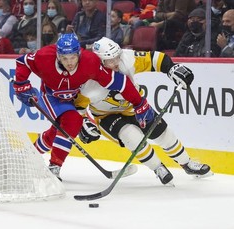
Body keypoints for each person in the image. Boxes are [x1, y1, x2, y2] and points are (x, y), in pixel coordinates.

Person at [13, 33, 152, 181]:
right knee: (72, 121)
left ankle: (28, 156)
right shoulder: (44, 56)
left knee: (58, 130)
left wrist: (139, 103)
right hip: (51, 96)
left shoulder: (90, 62)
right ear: (58, 55)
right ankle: (54, 167)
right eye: (65, 58)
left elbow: (120, 82)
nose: (70, 62)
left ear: (79, 53)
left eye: (73, 57)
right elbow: (23, 62)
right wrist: (21, 84)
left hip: (74, 99)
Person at [75, 37, 212, 185]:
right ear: (99, 61)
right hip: (106, 116)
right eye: (110, 60)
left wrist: (171, 68)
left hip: (136, 106)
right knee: (132, 137)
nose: (116, 63)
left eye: (117, 57)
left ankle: (187, 163)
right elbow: (78, 107)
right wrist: (82, 124)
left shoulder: (127, 59)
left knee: (164, 134)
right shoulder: (87, 82)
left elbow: (155, 58)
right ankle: (158, 167)